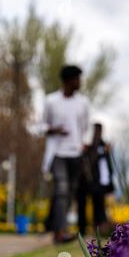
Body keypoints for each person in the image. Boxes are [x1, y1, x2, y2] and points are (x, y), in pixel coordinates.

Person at [42, 65, 89, 244]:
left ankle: (56, 228)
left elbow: (85, 127)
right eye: (77, 78)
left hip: (75, 154)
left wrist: (83, 143)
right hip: (57, 154)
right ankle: (60, 232)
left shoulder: (83, 103)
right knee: (61, 189)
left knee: (69, 193)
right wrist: (53, 129)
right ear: (68, 81)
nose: (79, 82)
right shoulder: (51, 101)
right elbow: (41, 126)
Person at [77, 123, 114, 235]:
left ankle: (98, 229)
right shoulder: (88, 146)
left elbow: (107, 166)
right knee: (83, 204)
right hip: (85, 181)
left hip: (98, 182)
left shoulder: (103, 146)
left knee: (99, 205)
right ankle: (82, 229)